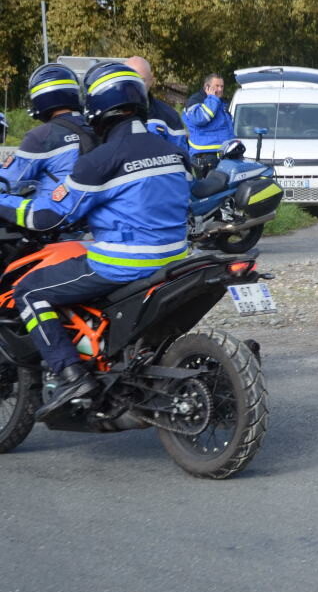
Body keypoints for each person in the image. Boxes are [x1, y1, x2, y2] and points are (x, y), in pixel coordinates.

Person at [0, 61, 190, 421]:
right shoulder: (173, 151)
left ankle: (70, 376)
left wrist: (6, 203)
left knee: (30, 292)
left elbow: (46, 217)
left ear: (97, 107)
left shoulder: (100, 160)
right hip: (177, 256)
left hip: (124, 261)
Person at [0, 63, 96, 199]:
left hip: (54, 214)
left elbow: (8, 182)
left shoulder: (41, 136)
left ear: (39, 99)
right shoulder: (97, 128)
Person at [125, 55, 186, 149]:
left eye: (142, 80)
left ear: (151, 80)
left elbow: (181, 155)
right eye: (131, 80)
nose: (136, 87)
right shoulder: (108, 114)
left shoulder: (168, 116)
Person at [183, 73, 234, 174]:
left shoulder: (220, 102)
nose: (220, 89)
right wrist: (212, 98)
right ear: (207, 87)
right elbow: (200, 119)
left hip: (222, 154)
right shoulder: (196, 100)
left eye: (222, 86)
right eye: (217, 86)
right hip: (205, 156)